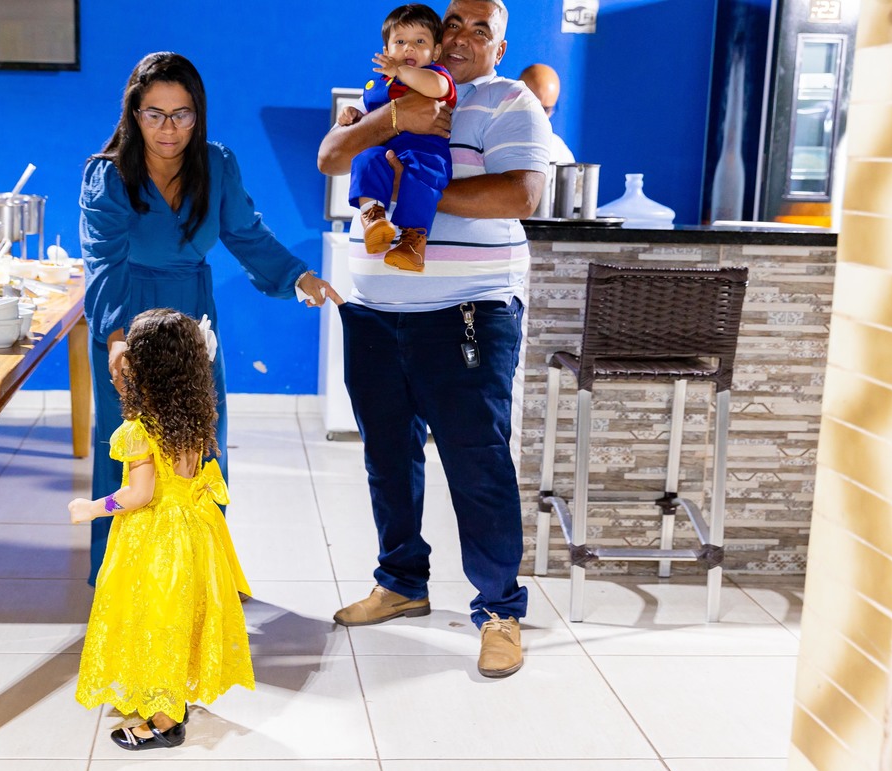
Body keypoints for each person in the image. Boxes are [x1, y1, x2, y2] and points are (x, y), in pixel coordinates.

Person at [317, 0, 551, 678]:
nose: (464, 38)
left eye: (483, 30)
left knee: (477, 464)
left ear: (499, 49)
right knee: (387, 459)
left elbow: (521, 197)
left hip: (465, 313)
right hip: (373, 311)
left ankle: (499, 610)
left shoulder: (510, 103)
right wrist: (393, 121)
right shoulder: (391, 88)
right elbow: (332, 158)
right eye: (455, 24)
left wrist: (411, 186)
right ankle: (400, 583)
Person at [80, 52, 343, 586]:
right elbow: (103, 262)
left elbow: (246, 233)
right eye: (155, 114)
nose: (168, 129)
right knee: (127, 449)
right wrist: (115, 339)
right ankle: (122, 580)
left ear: (198, 114)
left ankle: (203, 574)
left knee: (199, 445)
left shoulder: (216, 164)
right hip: (126, 317)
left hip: (191, 320)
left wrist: (299, 276)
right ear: (134, 114)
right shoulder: (107, 174)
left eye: (181, 114)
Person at [69, 308, 253, 751]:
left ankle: (165, 723)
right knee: (179, 616)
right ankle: (173, 697)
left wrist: (92, 508)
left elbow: (139, 495)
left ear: (144, 368)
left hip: (156, 539)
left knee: (155, 619)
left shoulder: (139, 430)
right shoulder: (191, 415)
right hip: (194, 530)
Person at [348, 4, 458, 273]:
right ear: (386, 51)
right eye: (400, 42)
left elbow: (437, 88)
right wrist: (352, 116)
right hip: (386, 152)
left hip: (425, 152)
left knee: (421, 180)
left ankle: (413, 243)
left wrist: (400, 71)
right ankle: (373, 217)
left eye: (419, 42)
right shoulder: (376, 86)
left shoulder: (438, 76)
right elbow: (367, 122)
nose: (409, 48)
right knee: (365, 159)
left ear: (436, 52)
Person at [518, 63, 575, 163]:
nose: (540, 117)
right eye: (533, 106)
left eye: (546, 110)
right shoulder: (492, 138)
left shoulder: (559, 152)